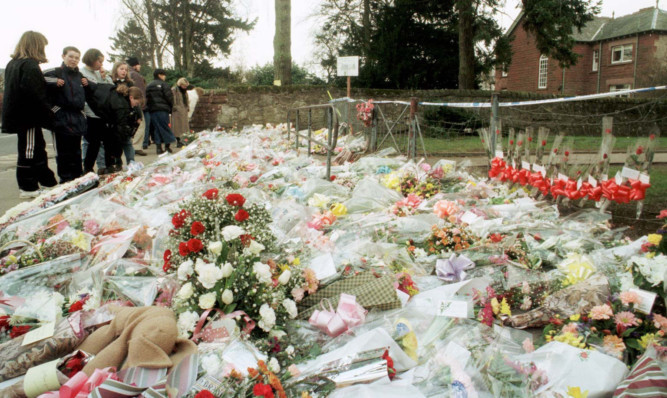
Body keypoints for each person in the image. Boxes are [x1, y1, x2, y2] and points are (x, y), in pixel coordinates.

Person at [1, 31, 58, 198]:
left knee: (36, 148)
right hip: (28, 118)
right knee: (30, 150)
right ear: (36, 46)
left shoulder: (13, 63)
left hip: (19, 115)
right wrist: (51, 111)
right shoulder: (30, 65)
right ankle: (27, 186)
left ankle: (47, 181)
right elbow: (36, 94)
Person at [43, 46, 87, 183]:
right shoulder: (54, 72)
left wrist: (87, 82)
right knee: (63, 152)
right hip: (60, 117)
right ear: (63, 56)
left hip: (77, 117)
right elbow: (37, 80)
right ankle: (66, 179)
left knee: (76, 150)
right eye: (71, 56)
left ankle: (78, 178)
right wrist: (53, 82)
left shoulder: (80, 76)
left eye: (77, 58)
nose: (74, 60)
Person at [80, 49, 118, 174]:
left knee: (108, 141)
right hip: (90, 112)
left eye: (102, 62)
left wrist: (104, 77)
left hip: (103, 112)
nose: (100, 64)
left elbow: (110, 89)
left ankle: (109, 165)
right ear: (92, 59)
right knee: (93, 143)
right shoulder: (82, 72)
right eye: (99, 61)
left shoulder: (100, 73)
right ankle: (88, 168)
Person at [111, 61, 137, 165]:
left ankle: (131, 162)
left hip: (127, 115)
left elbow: (134, 99)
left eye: (126, 70)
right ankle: (117, 160)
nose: (124, 71)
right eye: (121, 69)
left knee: (127, 141)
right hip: (115, 115)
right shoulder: (111, 82)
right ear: (116, 69)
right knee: (116, 141)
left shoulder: (130, 83)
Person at [145, 68, 175, 154]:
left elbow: (147, 98)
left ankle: (158, 147)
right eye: (164, 74)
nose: (165, 76)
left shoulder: (149, 85)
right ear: (160, 75)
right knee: (165, 126)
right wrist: (171, 107)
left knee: (157, 128)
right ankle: (167, 146)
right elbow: (169, 97)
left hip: (153, 110)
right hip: (163, 109)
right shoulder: (164, 84)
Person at [126, 57, 147, 156]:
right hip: (135, 102)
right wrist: (142, 103)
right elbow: (139, 90)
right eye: (139, 64)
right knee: (141, 124)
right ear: (135, 65)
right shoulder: (135, 75)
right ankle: (137, 146)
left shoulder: (127, 73)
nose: (140, 66)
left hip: (128, 103)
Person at [171, 77, 192, 148]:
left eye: (186, 86)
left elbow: (187, 99)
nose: (185, 87)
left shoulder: (184, 91)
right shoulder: (174, 90)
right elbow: (173, 100)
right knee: (177, 127)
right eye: (184, 85)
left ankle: (184, 140)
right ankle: (178, 141)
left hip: (184, 110)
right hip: (177, 111)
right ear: (180, 84)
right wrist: (175, 107)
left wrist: (187, 107)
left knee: (184, 126)